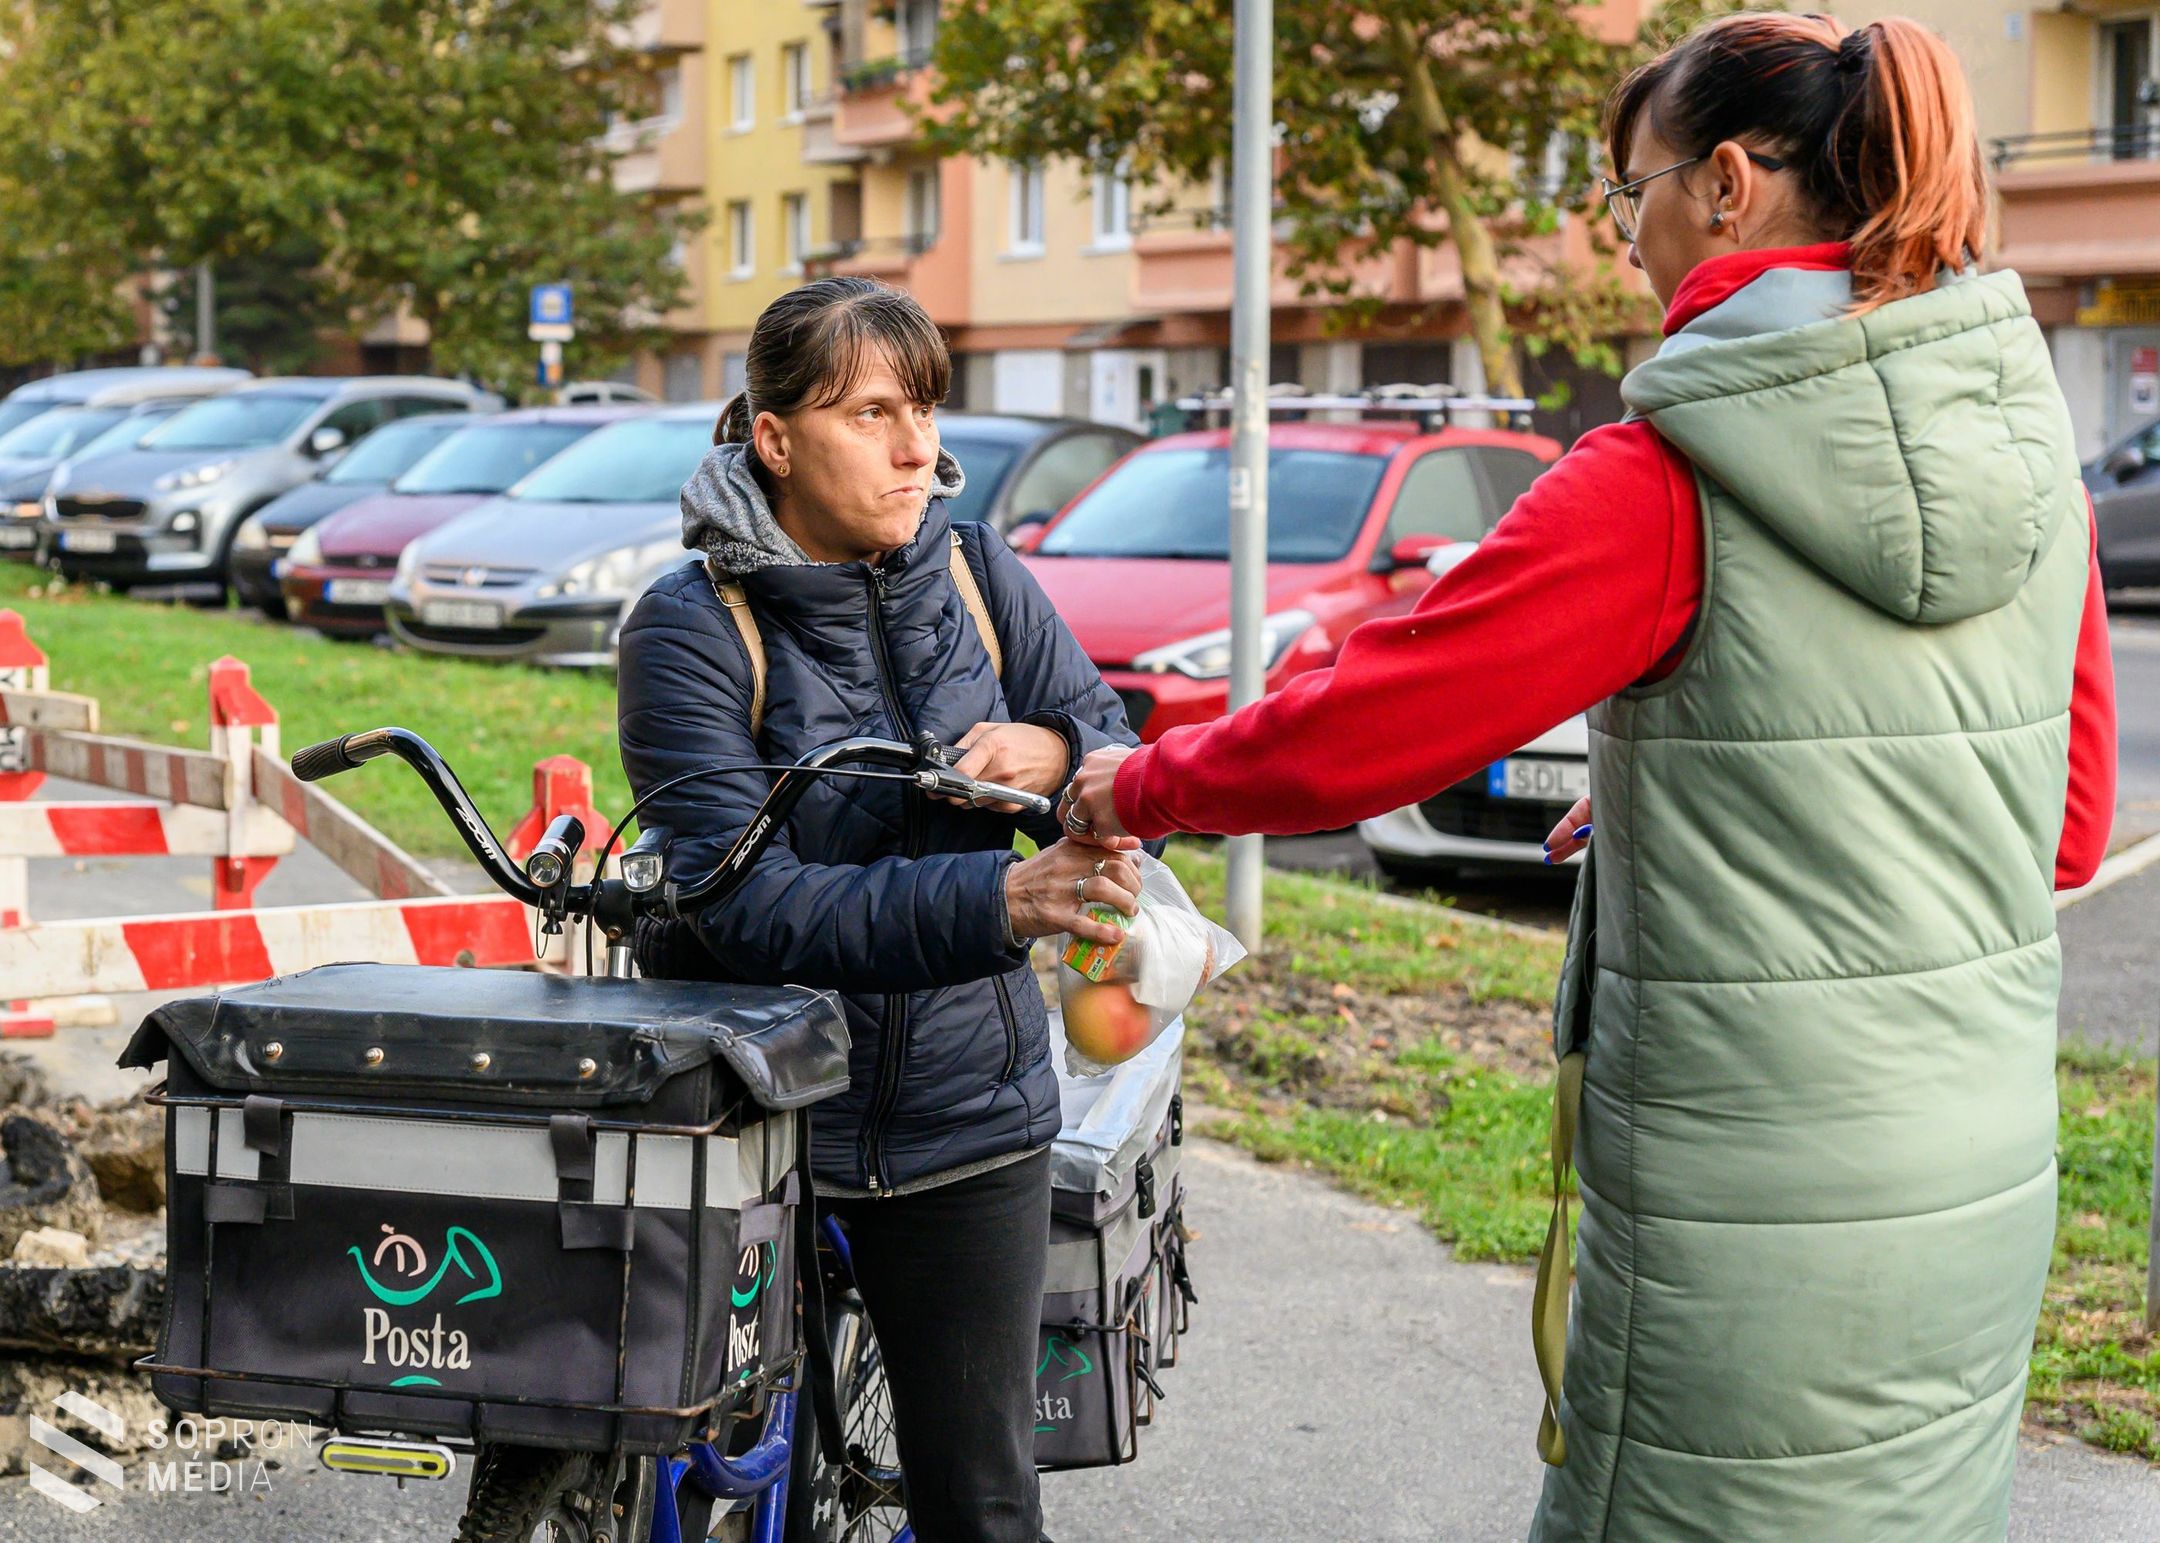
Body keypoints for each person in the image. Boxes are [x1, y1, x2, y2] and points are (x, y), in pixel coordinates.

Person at [1062, 13, 2118, 1540]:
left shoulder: (1673, 472)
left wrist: (1141, 785)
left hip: (1749, 1201)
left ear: (1729, 185)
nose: (1622, 236)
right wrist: (1683, 795)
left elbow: (1373, 720)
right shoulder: (2029, 456)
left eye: (1632, 191)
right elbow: (2061, 831)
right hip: (1979, 1178)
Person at [617, 275, 1144, 1543]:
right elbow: (748, 903)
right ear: (774, 438)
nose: (918, 450)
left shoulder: (976, 570)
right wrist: (1002, 895)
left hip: (970, 1114)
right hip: (757, 1122)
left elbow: (1116, 756)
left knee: (982, 1500)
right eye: (871, 414)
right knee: (701, 1475)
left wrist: (1054, 750)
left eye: (925, 410)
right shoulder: (689, 629)